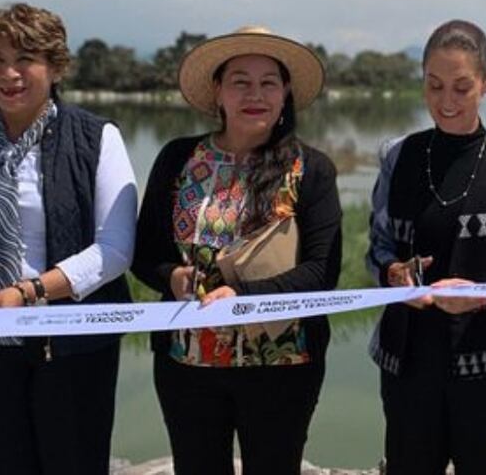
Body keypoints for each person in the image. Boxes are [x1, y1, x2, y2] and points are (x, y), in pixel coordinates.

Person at [132, 26, 342, 475]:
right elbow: (144, 252)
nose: (255, 94)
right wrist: (170, 276)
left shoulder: (311, 170)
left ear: (285, 93)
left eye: (269, 82)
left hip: (283, 362)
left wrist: (241, 296)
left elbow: (322, 273)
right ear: (218, 91)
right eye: (240, 81)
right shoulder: (178, 159)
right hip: (186, 362)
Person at [0, 2, 138, 474]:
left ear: (55, 68)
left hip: (72, 347)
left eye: (25, 59)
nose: (9, 73)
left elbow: (114, 249)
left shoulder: (97, 137)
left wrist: (31, 292)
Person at [366, 19, 486, 474]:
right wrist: (393, 274)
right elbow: (379, 247)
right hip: (406, 361)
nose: (446, 102)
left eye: (462, 87)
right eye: (434, 85)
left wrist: (479, 295)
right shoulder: (397, 154)